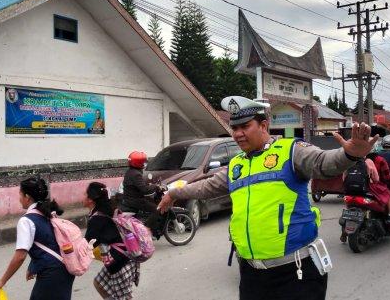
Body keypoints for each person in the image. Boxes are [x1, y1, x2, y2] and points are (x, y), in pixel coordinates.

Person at [158, 96, 378, 300]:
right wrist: (173, 193)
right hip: (252, 274)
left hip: (296, 271)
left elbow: (324, 162)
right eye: (234, 128)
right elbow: (206, 187)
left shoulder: (292, 151)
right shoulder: (237, 165)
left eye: (245, 126)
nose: (238, 133)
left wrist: (350, 154)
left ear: (263, 126)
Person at [0, 177, 74, 300]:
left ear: (27, 196)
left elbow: (20, 256)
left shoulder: (26, 221)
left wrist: (2, 281)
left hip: (51, 273)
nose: (19, 198)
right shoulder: (47, 213)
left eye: (20, 194)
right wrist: (33, 266)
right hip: (64, 269)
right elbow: (46, 242)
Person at [84, 182, 139, 300]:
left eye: (86, 195)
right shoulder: (107, 210)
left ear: (91, 200)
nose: (83, 197)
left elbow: (87, 244)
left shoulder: (97, 218)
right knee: (99, 284)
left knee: (124, 298)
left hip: (120, 263)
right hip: (123, 258)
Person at [121, 151, 162, 235]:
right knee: (157, 209)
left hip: (130, 199)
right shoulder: (136, 174)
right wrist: (155, 186)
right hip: (135, 200)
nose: (144, 164)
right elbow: (145, 190)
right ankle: (147, 228)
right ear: (138, 163)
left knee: (150, 202)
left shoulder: (130, 172)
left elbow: (139, 185)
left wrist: (149, 185)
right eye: (143, 162)